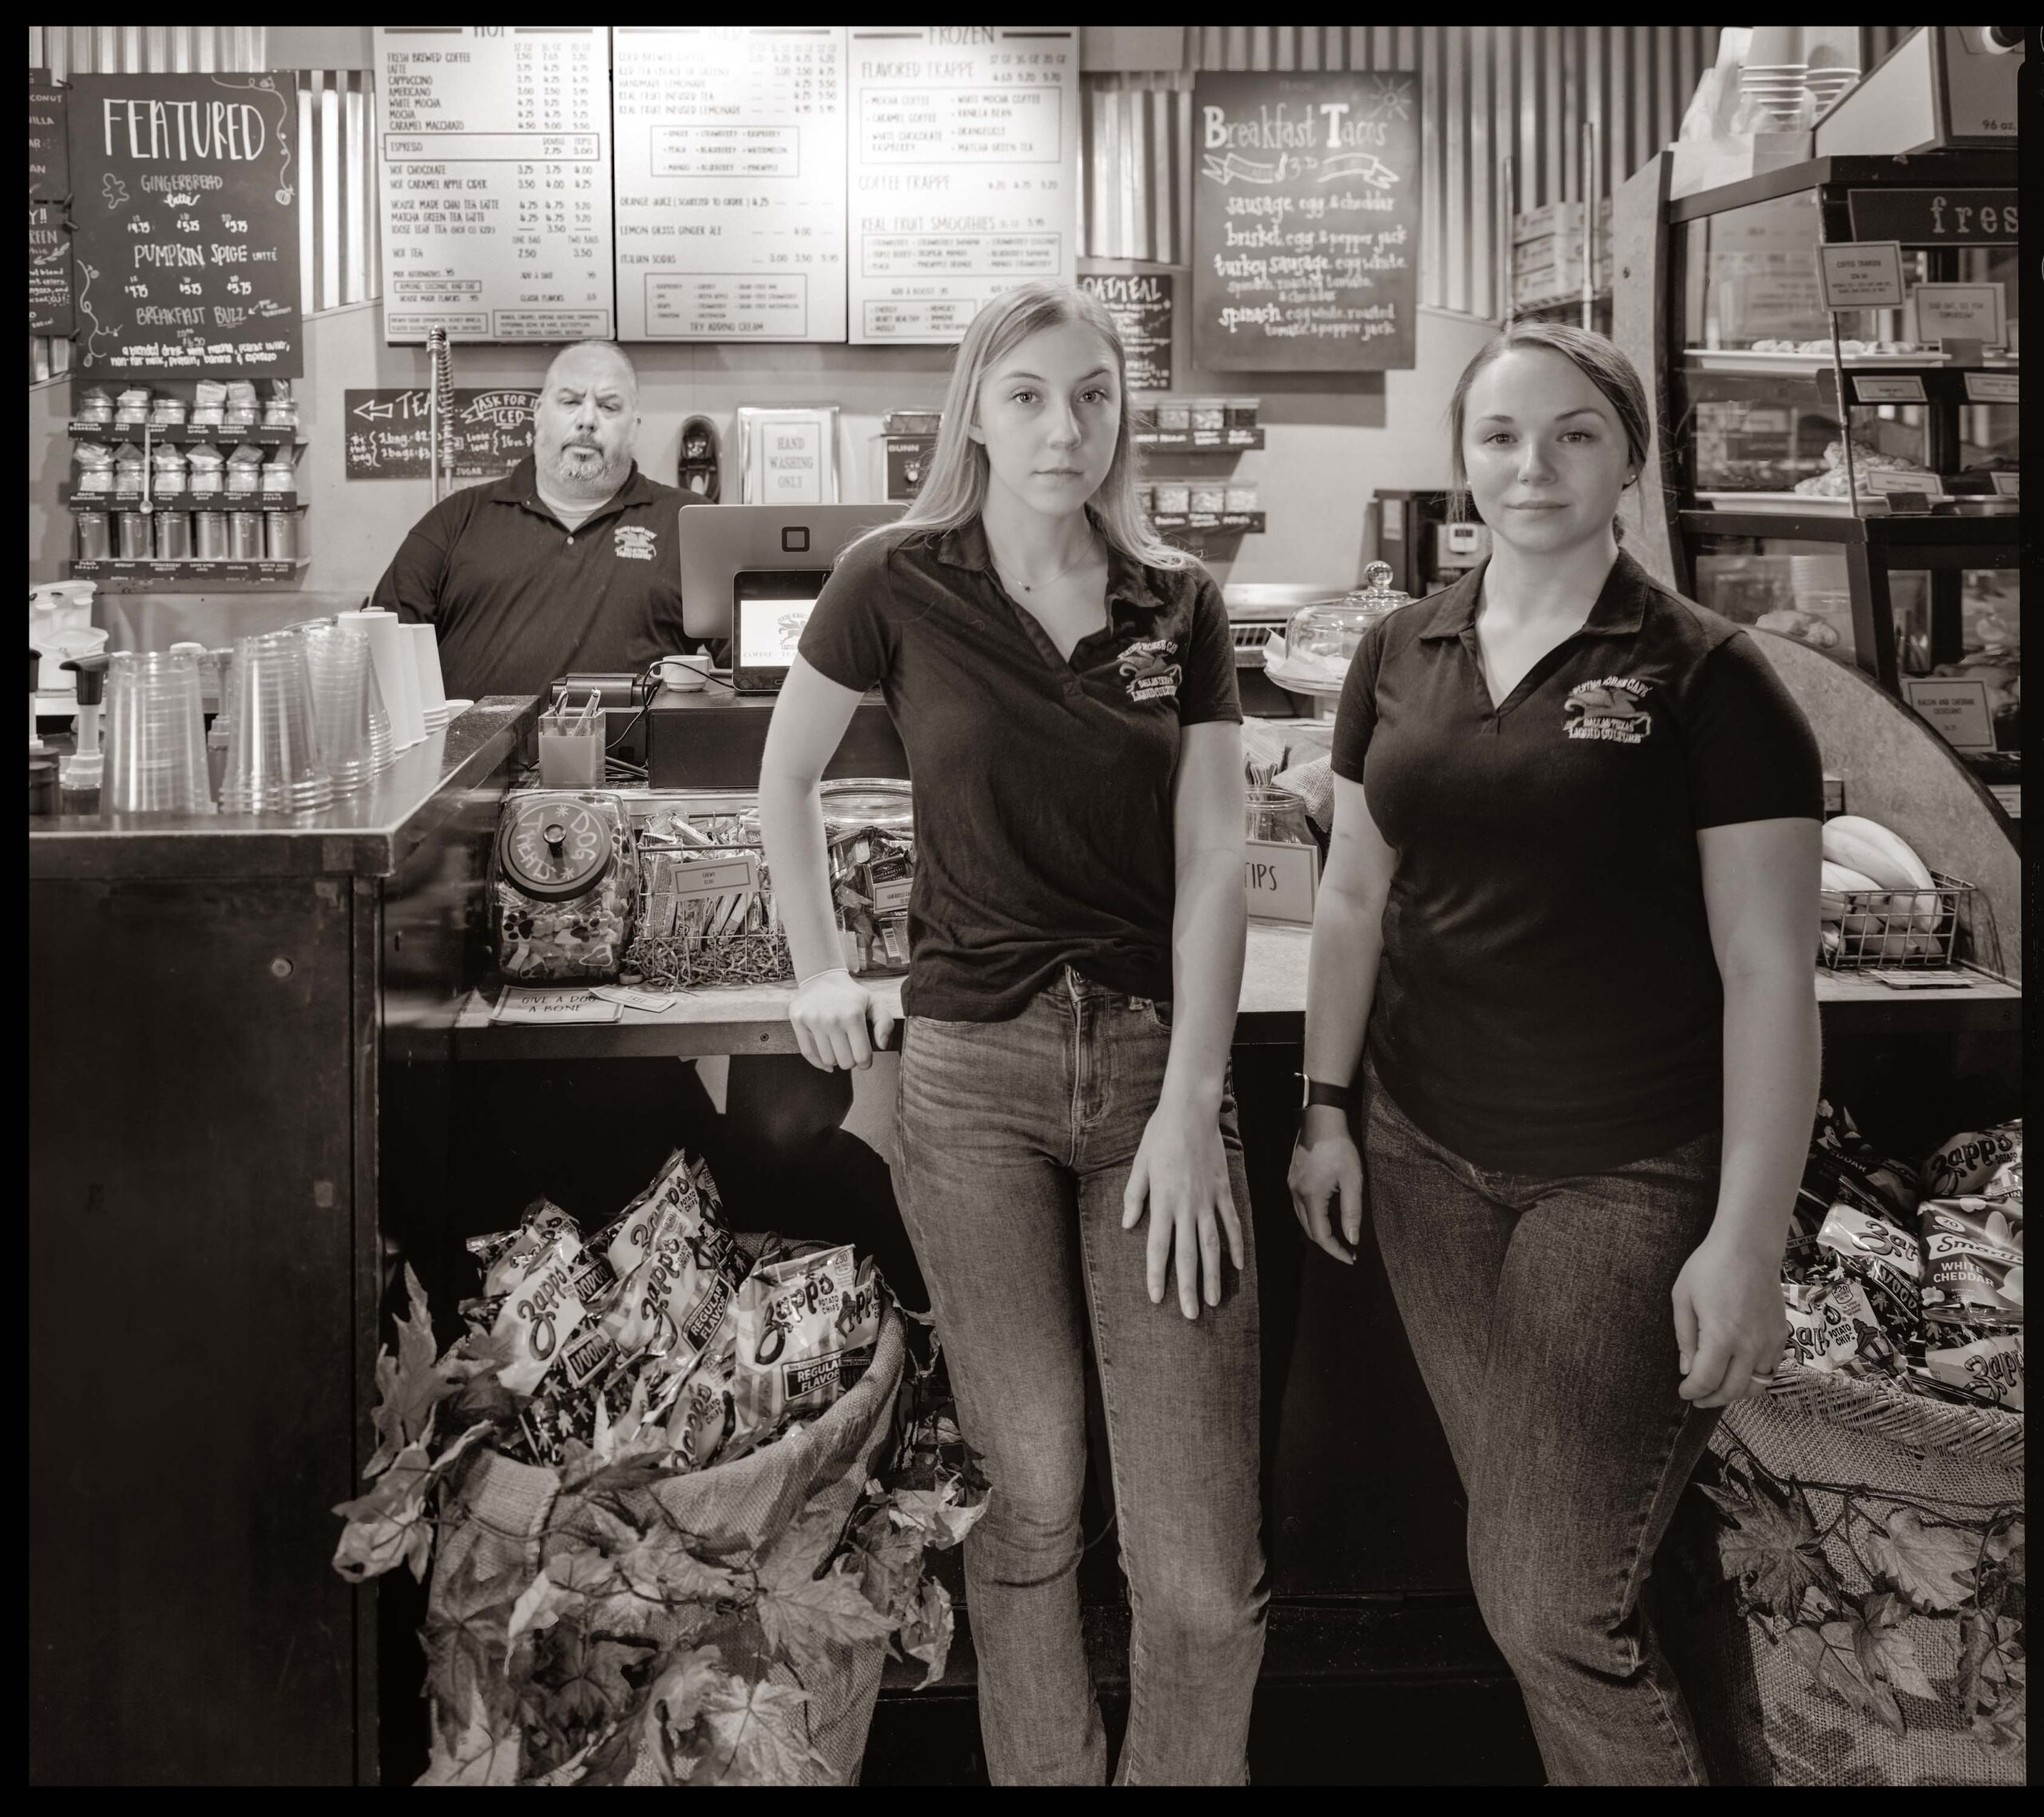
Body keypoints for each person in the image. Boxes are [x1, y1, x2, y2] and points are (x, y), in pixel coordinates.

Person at [1288, 322, 1822, 1786]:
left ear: (1630, 461)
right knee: (1552, 1570)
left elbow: (1772, 970)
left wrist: (1747, 1237)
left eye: (1576, 434)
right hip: (1422, 1163)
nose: (1536, 465)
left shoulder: (1711, 678)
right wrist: (1326, 1109)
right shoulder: (1401, 650)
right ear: (1462, 458)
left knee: (1543, 1595)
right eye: (1505, 435)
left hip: (1627, 1177)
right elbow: (1350, 893)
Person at [756, 282, 1264, 1786]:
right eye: (1031, 394)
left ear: (1125, 415)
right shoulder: (895, 579)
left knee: (1194, 1554)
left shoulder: (1181, 599)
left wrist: (1193, 1101)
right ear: (976, 407)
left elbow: (1220, 856)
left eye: (1094, 395)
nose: (1065, 426)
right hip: (967, 1077)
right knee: (1027, 1492)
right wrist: (818, 968)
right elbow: (782, 787)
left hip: (1151, 1079)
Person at [371, 340, 701, 700]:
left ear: (634, 427)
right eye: (571, 401)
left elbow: (757, 673)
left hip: (633, 758)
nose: (587, 421)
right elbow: (381, 662)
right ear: (539, 414)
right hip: (476, 757)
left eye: (608, 406)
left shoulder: (689, 525)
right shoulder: (454, 520)